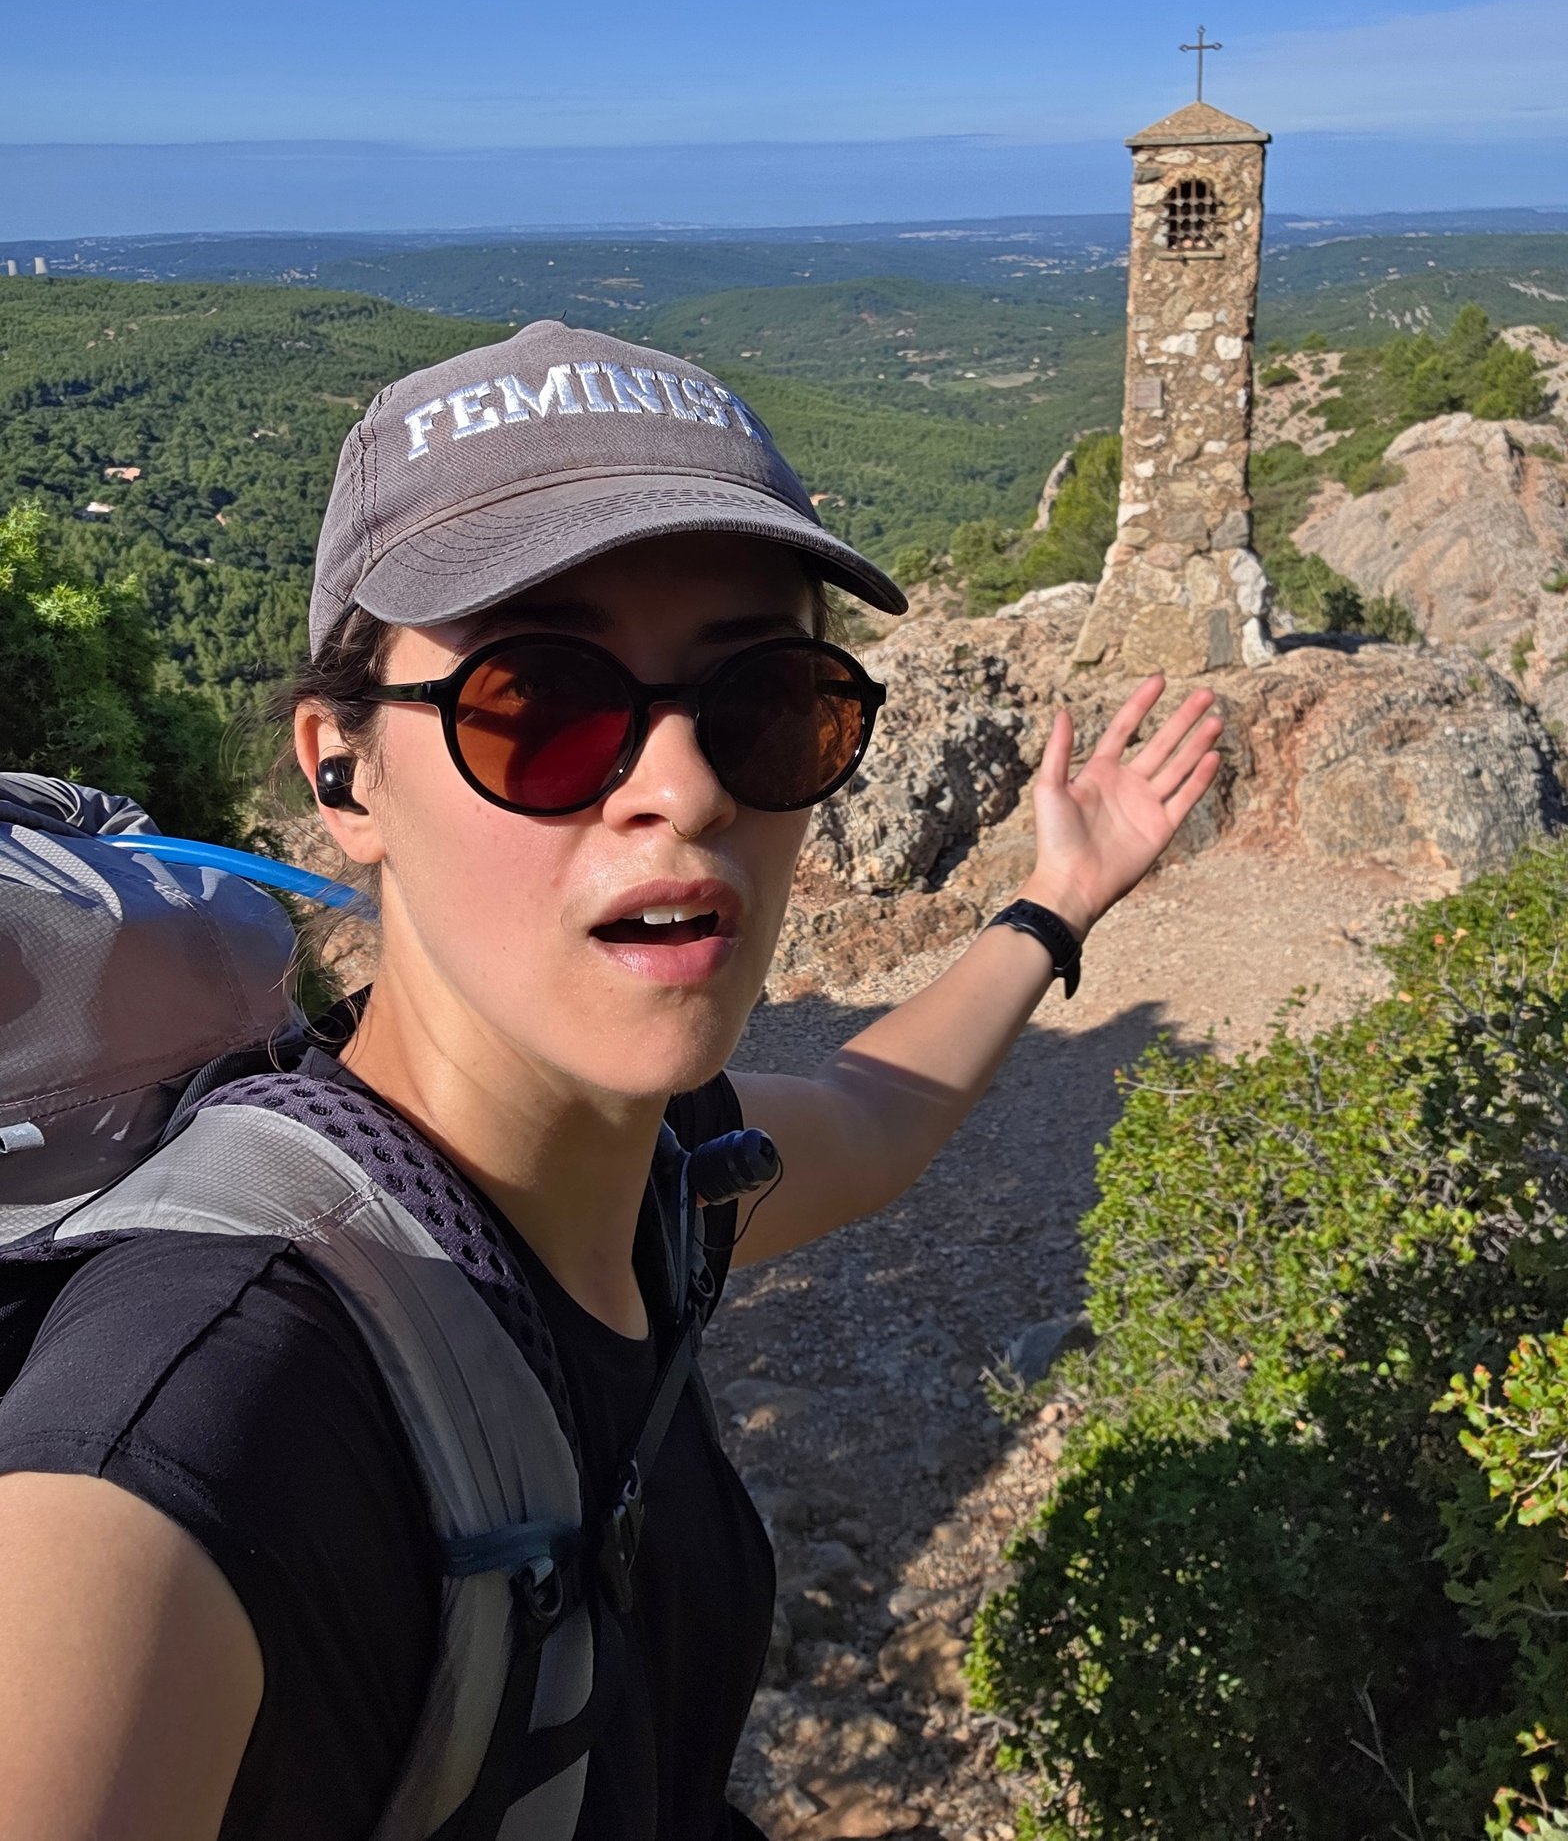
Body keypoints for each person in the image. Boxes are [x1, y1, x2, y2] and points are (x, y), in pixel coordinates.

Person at [0, 321, 1221, 1841]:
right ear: (343, 771)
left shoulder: (662, 1179)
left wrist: (1056, 899)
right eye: (544, 703)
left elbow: (878, 1114)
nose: (687, 783)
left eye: (768, 700)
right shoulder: (211, 1412)